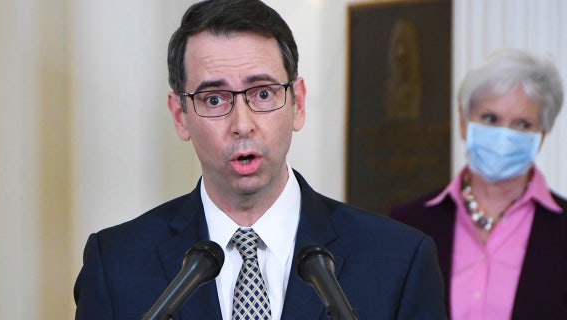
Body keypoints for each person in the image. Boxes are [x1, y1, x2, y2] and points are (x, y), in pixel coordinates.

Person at [74, 1, 446, 319]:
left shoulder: (399, 261)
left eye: (263, 93)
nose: (242, 125)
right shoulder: (116, 264)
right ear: (180, 115)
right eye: (215, 99)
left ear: (298, 103)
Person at [390, 49, 566, 320]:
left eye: (522, 124)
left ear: (541, 136)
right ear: (463, 121)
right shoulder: (407, 223)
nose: (504, 135)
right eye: (490, 118)